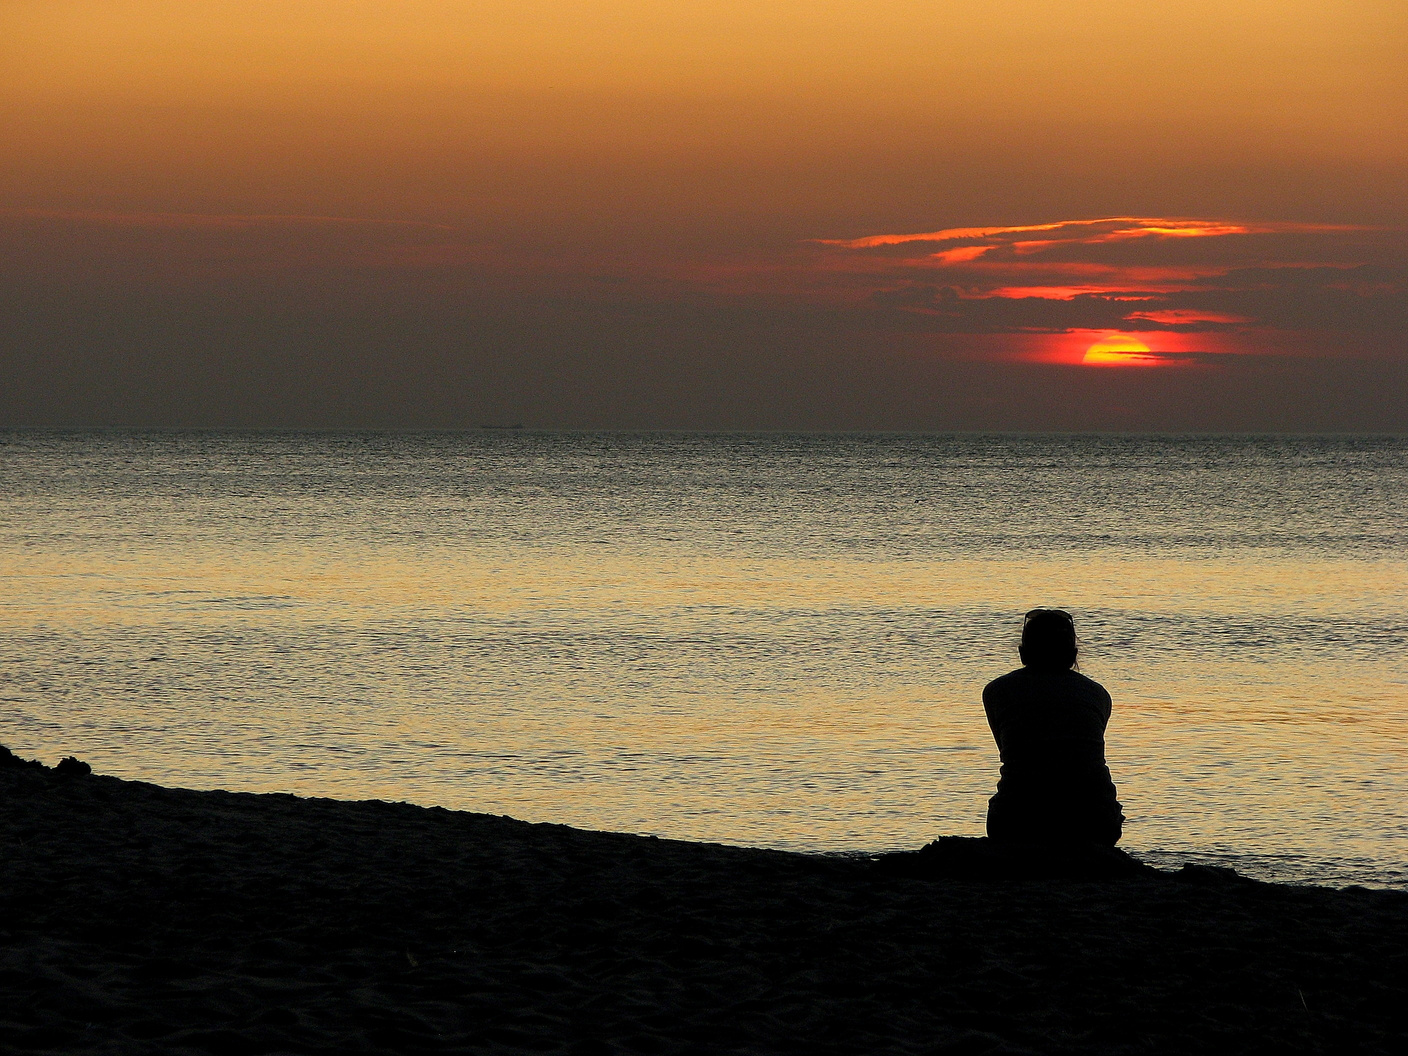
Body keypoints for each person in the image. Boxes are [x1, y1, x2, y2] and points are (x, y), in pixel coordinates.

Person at [982, 608, 1124, 846]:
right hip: (1095, 821)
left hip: (1017, 820)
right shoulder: (1098, 694)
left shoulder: (997, 691)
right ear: (1073, 655)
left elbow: (1010, 750)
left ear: (1022, 653)